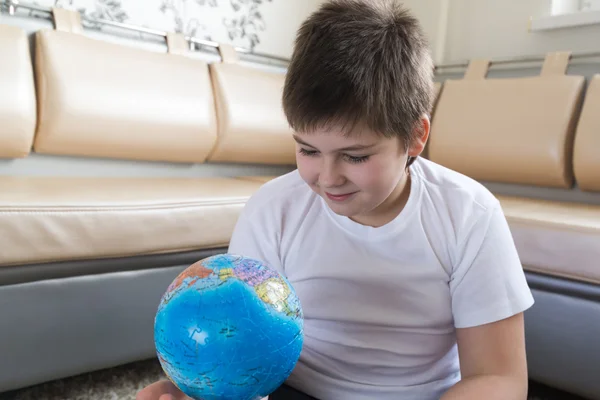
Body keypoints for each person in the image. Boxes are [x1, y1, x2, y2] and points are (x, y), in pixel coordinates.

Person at [137, 0, 535, 399]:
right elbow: (242, 351)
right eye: (308, 150)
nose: (327, 178)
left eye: (356, 156)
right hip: (295, 389)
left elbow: (497, 377)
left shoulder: (469, 214)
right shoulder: (273, 209)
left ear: (416, 136)